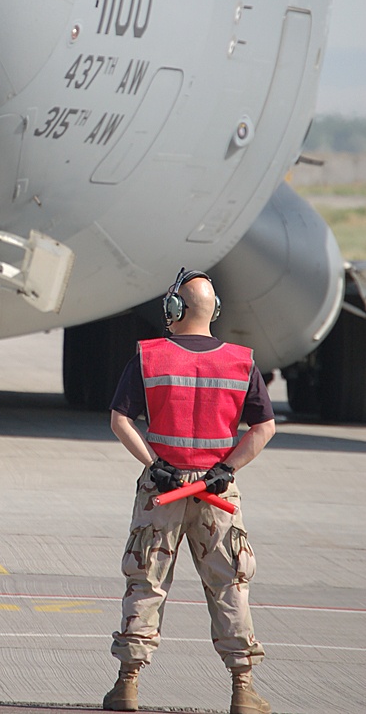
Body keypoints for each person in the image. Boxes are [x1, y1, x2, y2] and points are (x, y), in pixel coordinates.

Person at [104, 269, 276, 714]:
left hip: (162, 491)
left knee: (146, 581)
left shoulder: (149, 356)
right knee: (229, 585)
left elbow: (120, 420)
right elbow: (264, 428)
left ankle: (127, 684)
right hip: (216, 496)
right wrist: (225, 469)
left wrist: (155, 465)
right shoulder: (242, 361)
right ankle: (243, 689)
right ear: (214, 310)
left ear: (175, 310)